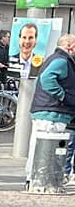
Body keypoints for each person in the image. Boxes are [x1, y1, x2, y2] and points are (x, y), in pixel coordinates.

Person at [31, 32, 75, 179]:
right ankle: (42, 179)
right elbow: (47, 78)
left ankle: (38, 178)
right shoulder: (62, 61)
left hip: (52, 111)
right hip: (52, 112)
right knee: (48, 148)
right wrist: (62, 96)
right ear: (69, 46)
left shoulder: (57, 59)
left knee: (45, 148)